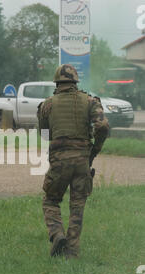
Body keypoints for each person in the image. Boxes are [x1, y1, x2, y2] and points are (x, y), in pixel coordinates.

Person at [37, 64, 109, 259]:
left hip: (59, 160)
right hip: (82, 160)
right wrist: (94, 149)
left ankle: (57, 234)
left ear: (57, 82)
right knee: (77, 205)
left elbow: (44, 135)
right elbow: (103, 126)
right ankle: (72, 251)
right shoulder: (90, 101)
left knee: (51, 200)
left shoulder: (47, 104)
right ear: (76, 81)